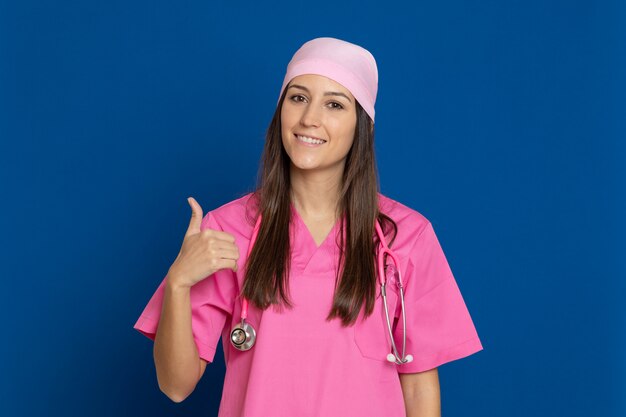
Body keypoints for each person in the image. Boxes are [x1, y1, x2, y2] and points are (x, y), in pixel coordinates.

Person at [133, 37, 483, 417]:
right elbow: (175, 386)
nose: (309, 118)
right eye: (297, 97)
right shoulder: (227, 230)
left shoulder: (406, 237)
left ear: (360, 125)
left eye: (334, 104)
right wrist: (179, 281)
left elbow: (418, 390)